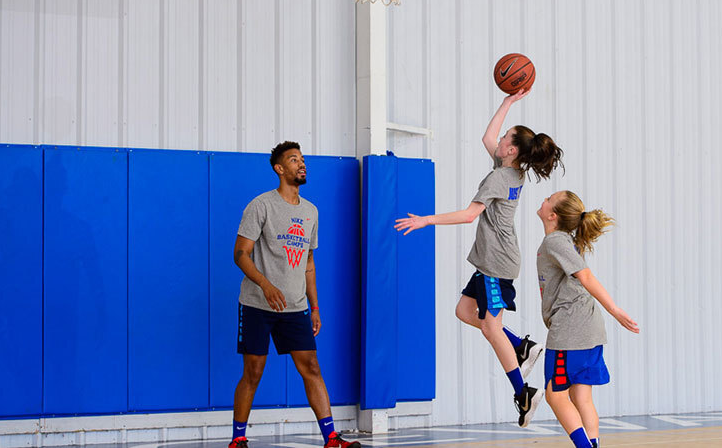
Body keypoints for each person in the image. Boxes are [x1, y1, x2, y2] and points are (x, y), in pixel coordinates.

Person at [395, 89, 563, 427]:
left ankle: (523, 392)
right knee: (464, 312)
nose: (498, 139)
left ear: (511, 150)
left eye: (505, 138)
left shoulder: (499, 176)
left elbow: (471, 215)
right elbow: (487, 136)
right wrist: (508, 102)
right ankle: (522, 347)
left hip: (496, 262)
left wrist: (425, 220)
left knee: (490, 327)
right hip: (489, 260)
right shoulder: (510, 171)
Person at [229, 141, 360, 448]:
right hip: (257, 305)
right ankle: (238, 440)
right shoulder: (260, 205)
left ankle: (331, 437)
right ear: (279, 168)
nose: (301, 164)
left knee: (312, 367)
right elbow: (240, 254)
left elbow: (308, 264)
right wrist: (266, 284)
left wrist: (314, 307)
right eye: (293, 160)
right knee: (253, 372)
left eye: (302, 160)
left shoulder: (311, 211)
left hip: (296, 306)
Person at [535, 190, 640, 448]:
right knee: (581, 397)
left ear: (552, 215)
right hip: (589, 328)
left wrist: (615, 310)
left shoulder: (555, 242)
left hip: (571, 330)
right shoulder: (565, 240)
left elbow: (586, 276)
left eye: (549, 198)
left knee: (555, 396)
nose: (544, 198)